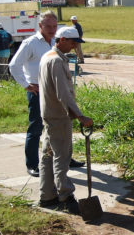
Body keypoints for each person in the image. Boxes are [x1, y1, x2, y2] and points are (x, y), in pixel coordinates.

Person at [9, 14, 84, 177]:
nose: (52, 30)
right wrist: (26, 85)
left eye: (54, 26)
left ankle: (66, 158)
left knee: (63, 125)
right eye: (48, 26)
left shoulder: (56, 42)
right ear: (40, 26)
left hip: (55, 90)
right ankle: (33, 164)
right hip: (38, 91)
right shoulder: (31, 43)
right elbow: (14, 65)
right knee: (36, 127)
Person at [38, 25, 93, 213]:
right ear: (61, 40)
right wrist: (79, 115)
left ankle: (47, 196)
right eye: (72, 42)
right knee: (62, 157)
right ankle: (66, 196)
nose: (74, 46)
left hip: (49, 114)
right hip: (59, 116)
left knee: (48, 155)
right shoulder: (56, 62)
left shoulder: (48, 56)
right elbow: (63, 94)